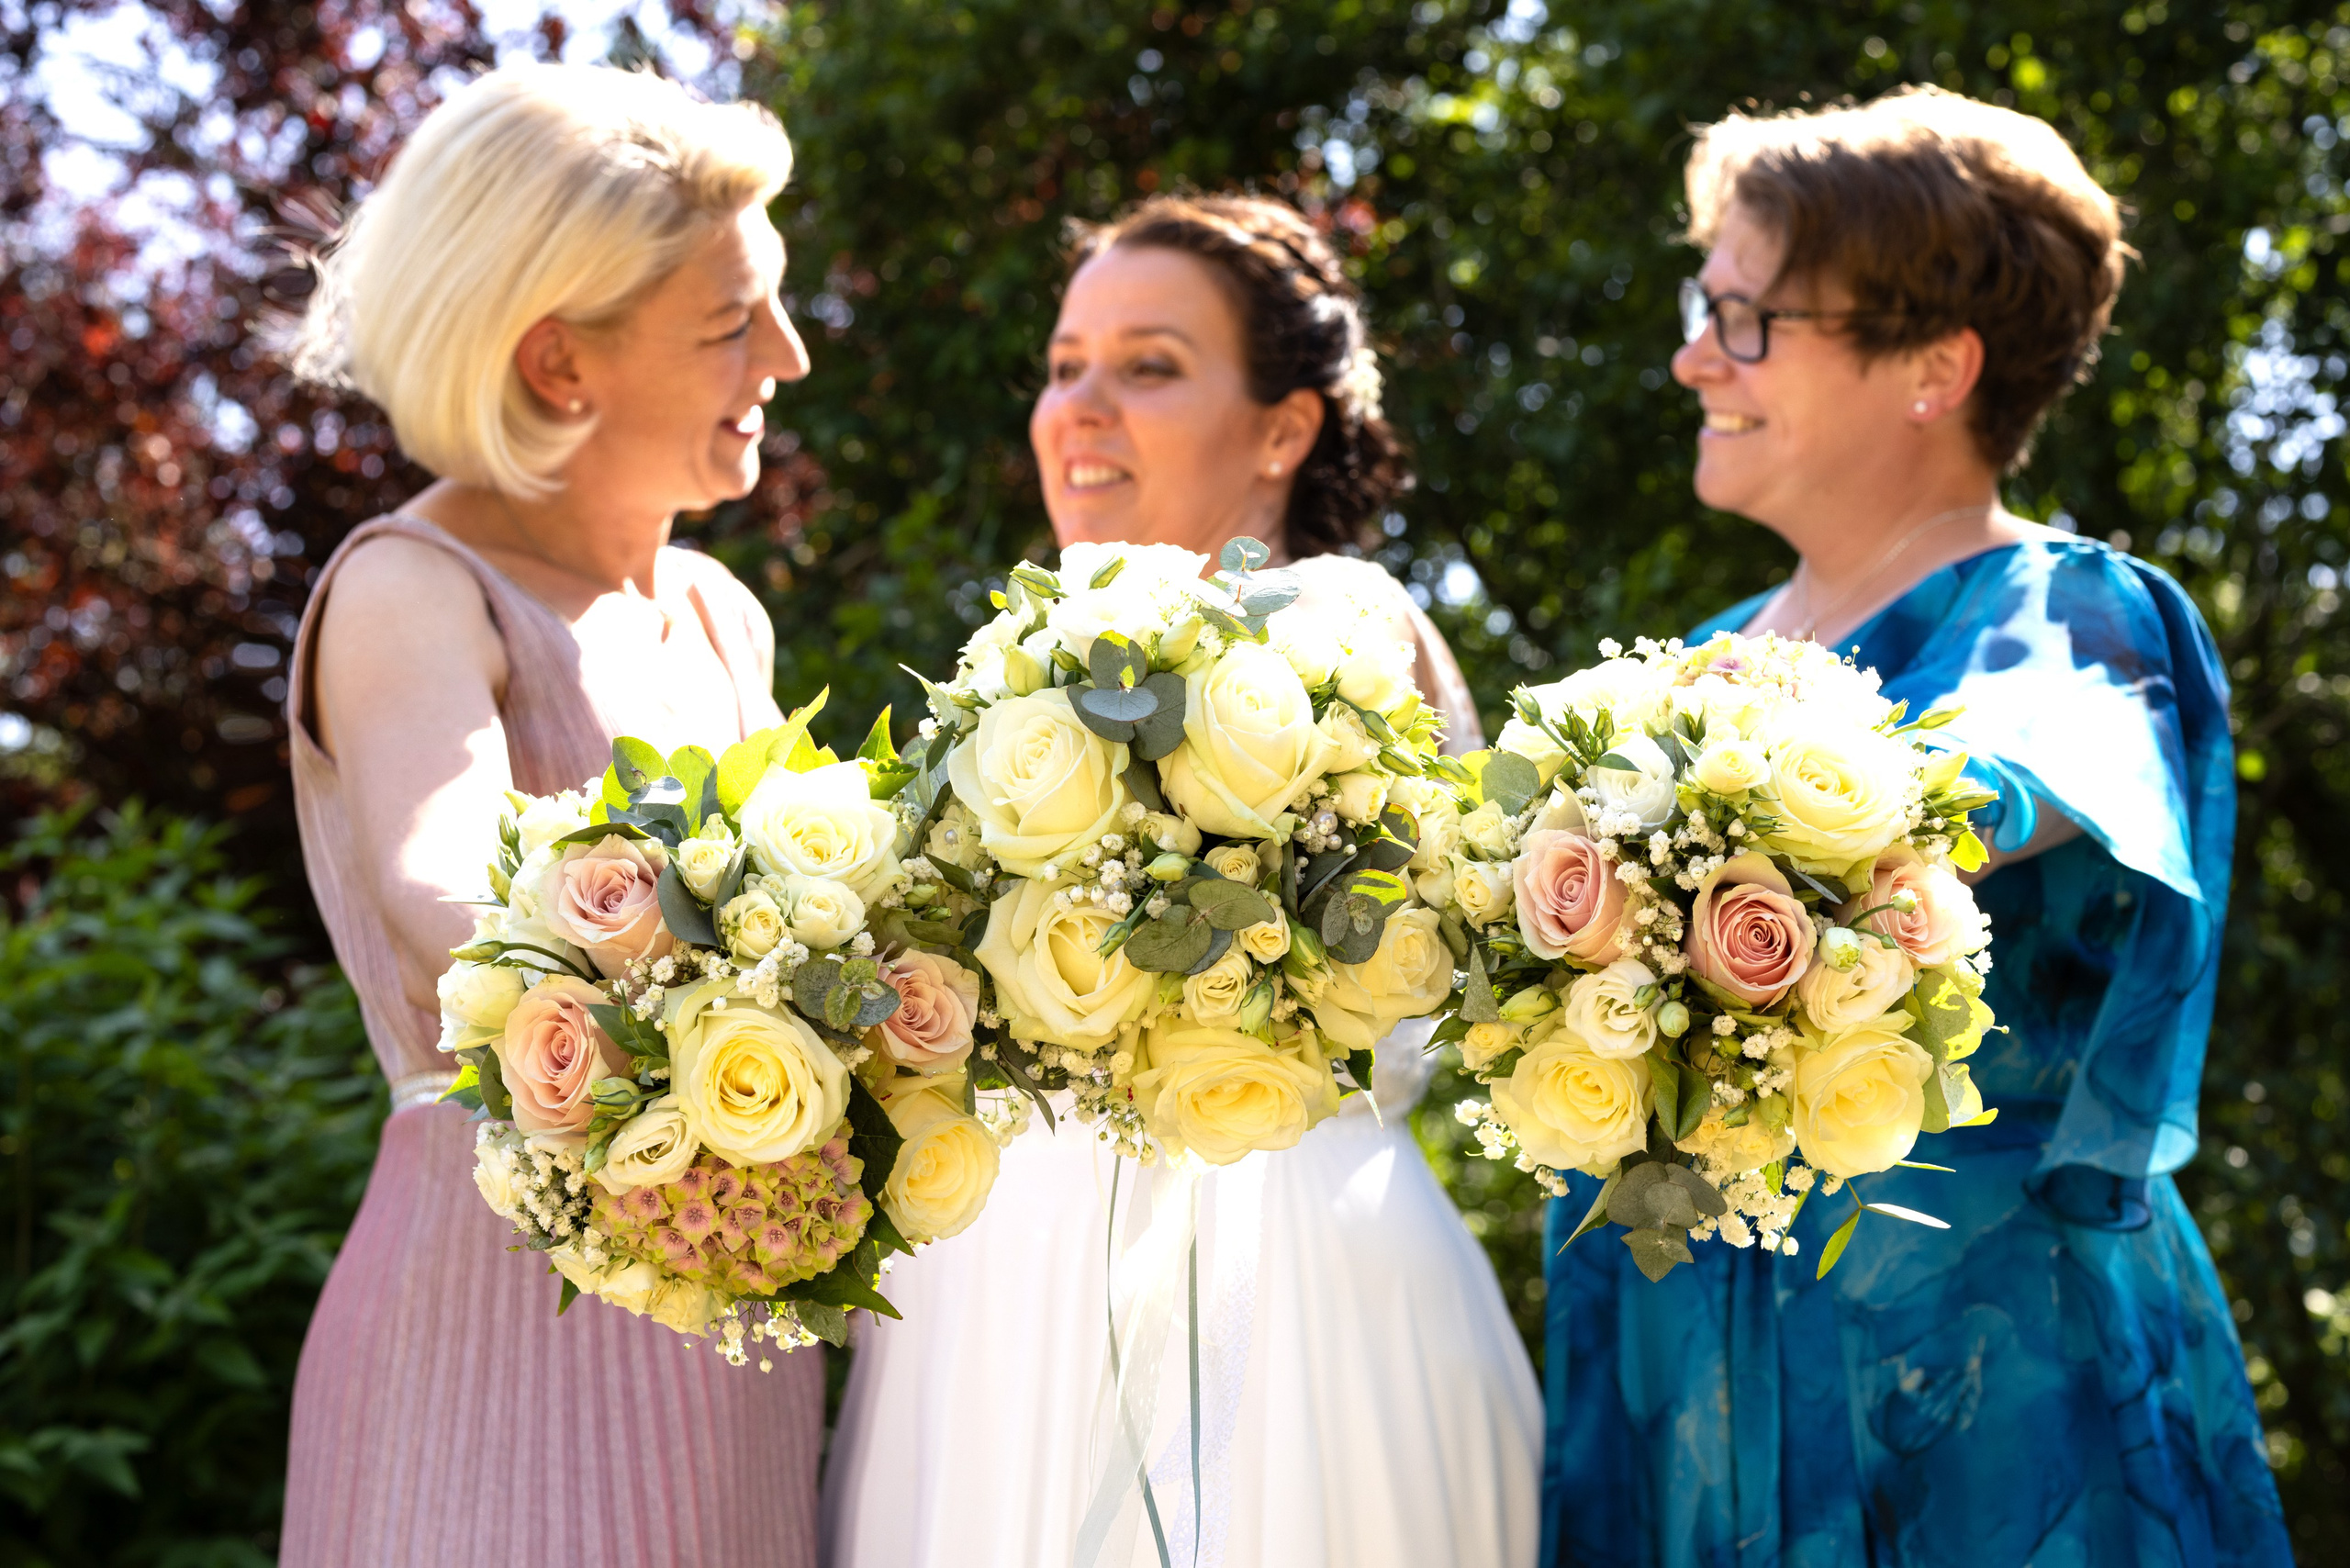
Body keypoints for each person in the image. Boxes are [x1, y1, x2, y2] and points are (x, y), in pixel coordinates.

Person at [1539, 85, 2291, 1568]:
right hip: (1689, 1381)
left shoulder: (2075, 611)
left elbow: (1980, 785)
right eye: (1708, 307)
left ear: (1936, 366)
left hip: (1976, 1407)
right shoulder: (1691, 658)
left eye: (1750, 319)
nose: (1697, 355)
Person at [822, 195, 1542, 1568]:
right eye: (1065, 363)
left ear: (1284, 427)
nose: (1080, 407)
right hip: (996, 1306)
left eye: (1148, 365)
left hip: (1281, 1291)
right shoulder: (1009, 684)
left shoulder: (1339, 625)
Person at [279, 65, 823, 1567]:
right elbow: (433, 872)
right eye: (730, 324)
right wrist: (739, 974)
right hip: (497, 1320)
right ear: (559, 366)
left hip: (742, 1336)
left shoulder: (724, 618)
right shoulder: (412, 589)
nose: (785, 356)